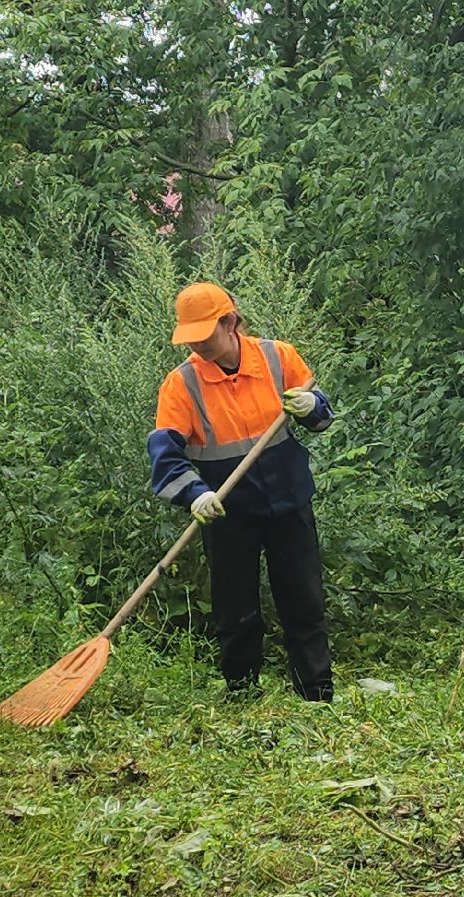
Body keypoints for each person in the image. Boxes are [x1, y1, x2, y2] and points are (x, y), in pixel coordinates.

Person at [148, 282, 336, 701]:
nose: (197, 345)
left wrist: (313, 407)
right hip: (227, 509)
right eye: (190, 337)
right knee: (235, 608)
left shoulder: (278, 357)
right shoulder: (181, 385)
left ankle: (317, 693)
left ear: (230, 322)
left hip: (289, 498)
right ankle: (241, 693)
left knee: (303, 600)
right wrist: (195, 494)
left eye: (204, 334)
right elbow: (164, 457)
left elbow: (322, 419)